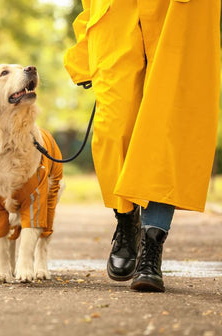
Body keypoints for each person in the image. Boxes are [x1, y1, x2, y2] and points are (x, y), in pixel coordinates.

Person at [64, 0, 220, 292]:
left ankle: (152, 248)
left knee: (165, 131)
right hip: (115, 17)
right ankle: (126, 220)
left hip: (177, 12)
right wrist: (84, 51)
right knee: (113, 128)